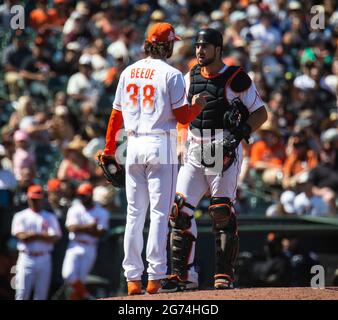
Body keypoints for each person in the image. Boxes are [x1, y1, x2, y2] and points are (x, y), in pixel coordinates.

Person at [100, 22, 206, 295]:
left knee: (134, 214)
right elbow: (183, 117)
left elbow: (116, 116)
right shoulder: (171, 74)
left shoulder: (128, 71)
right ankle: (155, 276)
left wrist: (110, 148)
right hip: (161, 143)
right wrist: (198, 107)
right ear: (168, 45)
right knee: (159, 214)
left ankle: (132, 277)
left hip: (132, 143)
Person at [161, 28, 267, 292]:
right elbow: (182, 112)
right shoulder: (190, 76)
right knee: (179, 210)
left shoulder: (236, 78)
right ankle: (184, 276)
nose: (199, 51)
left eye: (205, 46)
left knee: (221, 211)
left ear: (218, 49)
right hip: (196, 147)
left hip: (223, 146)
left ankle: (224, 275)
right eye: (197, 46)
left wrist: (238, 136)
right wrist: (181, 140)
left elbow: (261, 114)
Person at [11, 185, 61, 300]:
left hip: (44, 258)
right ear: (28, 198)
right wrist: (41, 235)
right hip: (26, 258)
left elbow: (55, 237)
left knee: (41, 295)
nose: (35, 202)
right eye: (33, 199)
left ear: (42, 199)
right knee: (21, 294)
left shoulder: (49, 216)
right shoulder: (20, 216)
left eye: (38, 199)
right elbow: (21, 236)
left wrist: (33, 235)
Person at [61, 182, 109, 300]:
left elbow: (102, 232)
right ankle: (87, 296)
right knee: (68, 274)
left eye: (84, 195)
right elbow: (72, 228)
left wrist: (82, 228)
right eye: (80, 196)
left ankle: (80, 296)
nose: (81, 198)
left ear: (91, 195)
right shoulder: (75, 209)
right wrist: (89, 227)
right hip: (75, 245)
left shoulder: (101, 211)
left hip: (90, 247)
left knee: (81, 280)